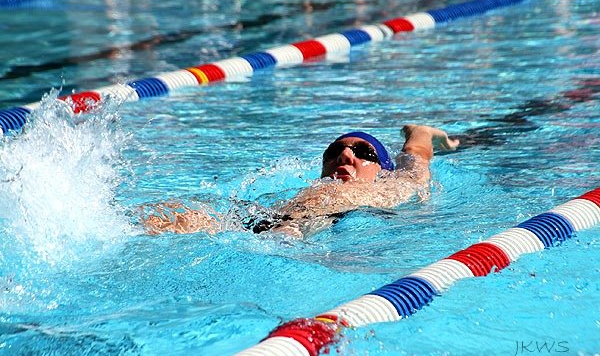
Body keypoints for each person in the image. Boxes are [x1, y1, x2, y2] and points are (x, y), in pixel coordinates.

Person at [142, 124, 459, 238]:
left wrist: (419, 135)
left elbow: (415, 163)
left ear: (383, 171)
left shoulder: (394, 187)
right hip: (260, 221)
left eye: (364, 152)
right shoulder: (310, 189)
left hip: (290, 231)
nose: (345, 156)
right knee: (162, 219)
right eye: (335, 151)